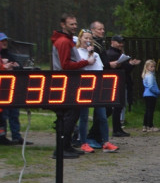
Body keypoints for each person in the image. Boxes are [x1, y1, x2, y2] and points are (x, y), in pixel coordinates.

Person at [51, 13, 96, 158]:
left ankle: (67, 145)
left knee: (73, 114)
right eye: (71, 24)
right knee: (70, 115)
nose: (75, 27)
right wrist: (85, 63)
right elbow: (65, 65)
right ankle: (61, 148)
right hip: (66, 82)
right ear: (63, 25)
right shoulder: (63, 42)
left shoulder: (68, 40)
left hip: (69, 82)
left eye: (75, 24)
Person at [76, 29, 117, 153]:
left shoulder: (96, 54)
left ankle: (106, 142)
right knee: (83, 116)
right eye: (85, 38)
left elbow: (99, 68)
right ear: (80, 39)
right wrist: (87, 59)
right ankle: (83, 142)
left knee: (102, 116)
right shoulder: (77, 53)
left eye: (90, 39)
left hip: (96, 87)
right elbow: (80, 67)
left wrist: (91, 56)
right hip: (84, 87)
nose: (88, 41)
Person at [0, 33, 31, 145]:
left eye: (5, 41)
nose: (4, 43)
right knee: (3, 115)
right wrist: (4, 67)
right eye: (2, 41)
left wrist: (13, 65)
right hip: (2, 91)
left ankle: (16, 137)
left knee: (14, 113)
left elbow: (20, 67)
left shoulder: (9, 54)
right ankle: (2, 137)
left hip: (12, 89)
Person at [106, 34, 139, 137]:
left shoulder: (118, 52)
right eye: (119, 42)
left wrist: (130, 64)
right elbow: (123, 69)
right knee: (116, 107)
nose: (121, 44)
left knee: (119, 106)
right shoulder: (112, 54)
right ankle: (116, 129)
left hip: (121, 81)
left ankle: (118, 128)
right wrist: (130, 64)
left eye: (122, 42)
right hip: (116, 82)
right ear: (112, 42)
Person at [141, 59, 160, 132]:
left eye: (154, 66)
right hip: (151, 95)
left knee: (147, 110)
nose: (153, 68)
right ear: (147, 67)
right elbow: (151, 86)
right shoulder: (150, 76)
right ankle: (150, 126)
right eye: (151, 66)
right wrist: (157, 91)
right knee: (150, 111)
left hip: (146, 94)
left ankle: (145, 125)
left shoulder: (145, 75)